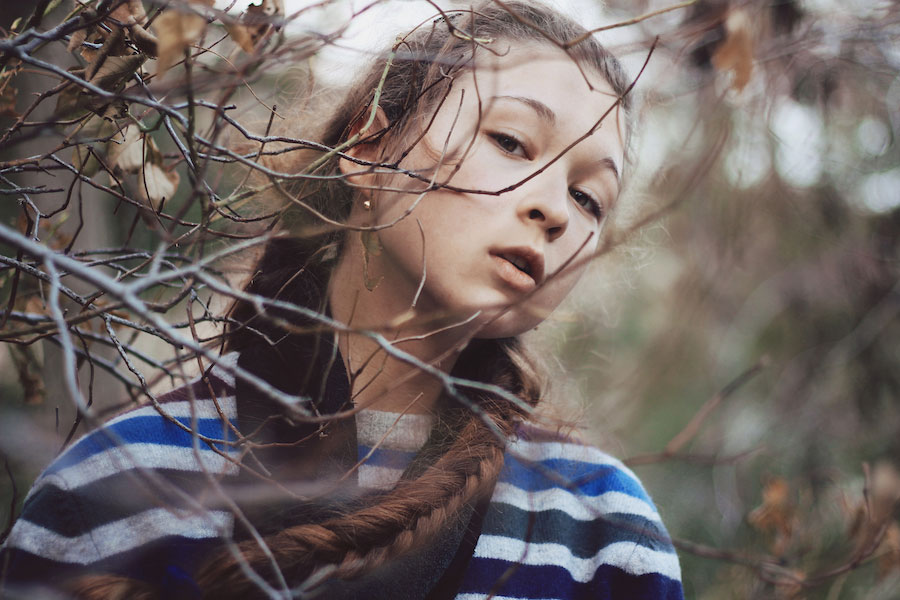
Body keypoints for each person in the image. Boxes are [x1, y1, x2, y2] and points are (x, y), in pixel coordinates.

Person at [0, 2, 685, 598]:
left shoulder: (603, 529)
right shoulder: (119, 480)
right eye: (510, 141)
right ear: (368, 143)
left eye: (588, 197)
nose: (555, 210)